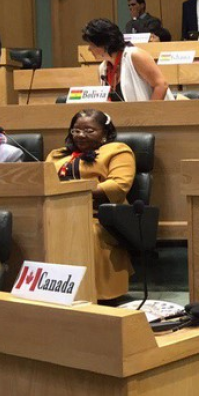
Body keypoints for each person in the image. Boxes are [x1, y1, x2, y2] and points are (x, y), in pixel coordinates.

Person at [47, 109, 135, 300]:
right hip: (58, 213)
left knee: (84, 231)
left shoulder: (117, 151)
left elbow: (119, 185)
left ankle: (96, 292)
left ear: (105, 133)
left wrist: (76, 191)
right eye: (76, 130)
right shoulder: (56, 155)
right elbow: (44, 182)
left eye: (89, 130)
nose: (81, 135)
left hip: (101, 216)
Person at [82, 18, 173, 101]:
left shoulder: (135, 55)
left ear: (104, 43)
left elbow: (161, 85)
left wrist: (148, 112)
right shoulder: (102, 68)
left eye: (92, 44)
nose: (89, 49)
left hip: (155, 112)